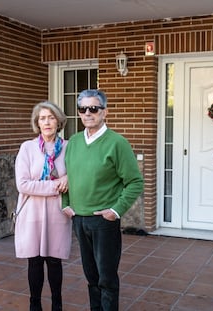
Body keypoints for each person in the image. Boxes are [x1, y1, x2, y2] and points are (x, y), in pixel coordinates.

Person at [62, 89, 144, 311]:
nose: (88, 113)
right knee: (91, 276)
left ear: (104, 112)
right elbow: (67, 176)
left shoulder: (117, 143)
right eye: (83, 109)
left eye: (93, 108)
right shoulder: (74, 142)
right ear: (78, 113)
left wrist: (116, 210)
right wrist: (66, 204)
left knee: (106, 278)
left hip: (103, 221)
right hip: (79, 219)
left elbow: (135, 182)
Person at [14, 101, 72, 311]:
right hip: (32, 212)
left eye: (51, 117)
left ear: (58, 121)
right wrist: (56, 184)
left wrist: (68, 177)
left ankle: (57, 304)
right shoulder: (27, 148)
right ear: (37, 123)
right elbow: (22, 184)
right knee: (35, 261)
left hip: (57, 213)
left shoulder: (69, 147)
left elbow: (75, 176)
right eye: (42, 118)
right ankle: (34, 304)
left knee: (55, 261)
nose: (47, 122)